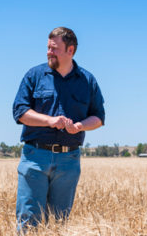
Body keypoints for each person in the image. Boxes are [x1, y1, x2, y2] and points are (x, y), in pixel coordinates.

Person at [12, 27, 105, 232]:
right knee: (29, 222)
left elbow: (98, 117)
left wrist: (80, 126)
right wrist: (49, 121)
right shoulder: (34, 75)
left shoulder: (87, 81)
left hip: (68, 160)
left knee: (59, 224)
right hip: (35, 157)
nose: (49, 52)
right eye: (47, 48)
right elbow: (19, 112)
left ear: (70, 50)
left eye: (54, 48)